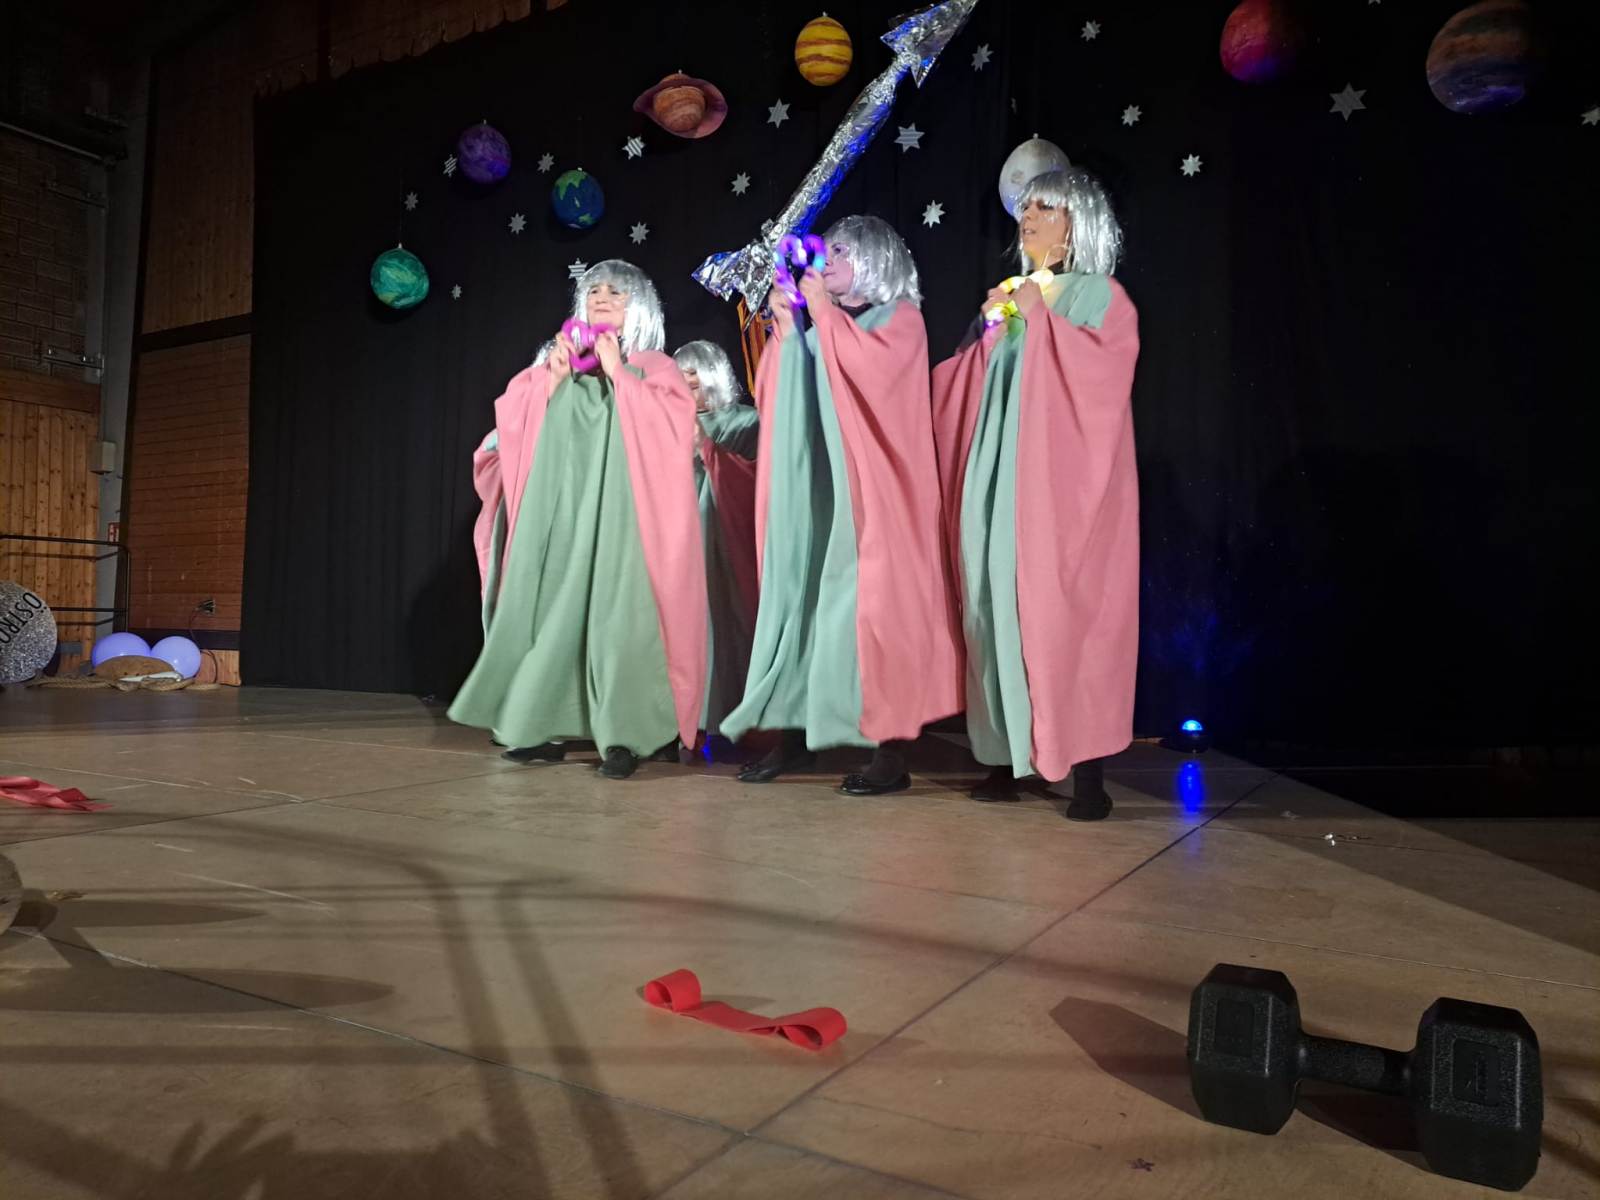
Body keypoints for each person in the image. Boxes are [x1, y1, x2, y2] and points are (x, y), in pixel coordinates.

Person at [722, 215, 962, 795]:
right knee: (804, 607)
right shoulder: (823, 326)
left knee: (880, 621)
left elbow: (875, 379)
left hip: (876, 504)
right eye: (825, 251)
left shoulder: (900, 320)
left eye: (842, 252)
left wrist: (821, 315)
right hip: (823, 498)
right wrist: (787, 331)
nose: (826, 261)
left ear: (876, 260)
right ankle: (794, 738)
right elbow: (782, 398)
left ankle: (891, 753)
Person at [931, 168, 1140, 820]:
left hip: (1059, 494)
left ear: (1079, 221)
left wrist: (1039, 316)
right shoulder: (1013, 295)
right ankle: (1002, 757)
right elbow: (965, 386)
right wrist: (985, 337)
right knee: (990, 607)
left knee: (1065, 618)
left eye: (1046, 208)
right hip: (998, 485)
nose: (1028, 218)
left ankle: (1087, 775)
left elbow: (1101, 379)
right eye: (1026, 208)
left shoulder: (1101, 295)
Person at [449, 260, 706, 780]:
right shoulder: (561, 365)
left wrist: (619, 374)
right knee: (555, 613)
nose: (602, 298)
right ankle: (545, 723)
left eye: (617, 292)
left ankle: (628, 734)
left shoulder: (654, 368)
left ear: (639, 307)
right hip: (568, 515)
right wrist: (554, 379)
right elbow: (513, 422)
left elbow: (676, 432)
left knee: (622, 620)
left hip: (625, 520)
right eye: (593, 291)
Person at [673, 340, 760, 746]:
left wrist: (705, 447)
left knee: (721, 625)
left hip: (722, 543)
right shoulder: (664, 424)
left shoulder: (743, 422)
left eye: (693, 384)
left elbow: (753, 481)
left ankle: (721, 719)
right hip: (676, 543)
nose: (686, 393)